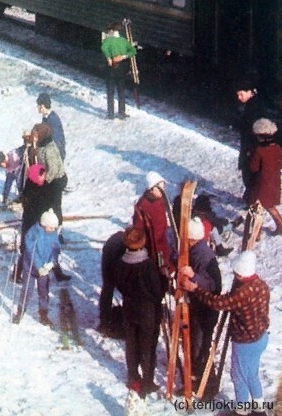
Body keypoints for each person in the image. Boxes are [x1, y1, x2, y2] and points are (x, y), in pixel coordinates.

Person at [179, 251, 270, 416]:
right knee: (252, 375)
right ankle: (259, 408)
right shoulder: (261, 284)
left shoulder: (242, 293)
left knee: (239, 376)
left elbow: (217, 303)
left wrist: (196, 289)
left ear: (241, 275)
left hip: (246, 341)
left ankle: (241, 411)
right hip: (261, 337)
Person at [113, 226, 165, 399]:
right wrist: (164, 279)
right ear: (142, 242)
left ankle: (133, 377)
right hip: (147, 312)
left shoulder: (121, 262)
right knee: (147, 346)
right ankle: (148, 381)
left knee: (131, 344)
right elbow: (157, 292)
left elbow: (119, 284)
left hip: (129, 309)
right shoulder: (148, 265)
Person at [184, 217, 222, 391]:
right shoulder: (196, 250)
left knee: (201, 348)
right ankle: (196, 381)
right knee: (196, 345)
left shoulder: (203, 255)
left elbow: (213, 284)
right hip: (199, 306)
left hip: (206, 309)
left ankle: (205, 385)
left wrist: (193, 277)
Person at [31, 123, 70, 278]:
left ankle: (56, 227)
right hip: (48, 183)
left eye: (35, 135)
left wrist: (43, 180)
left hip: (55, 183)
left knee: (53, 211)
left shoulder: (50, 149)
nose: (34, 137)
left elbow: (53, 170)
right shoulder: (41, 145)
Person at [12, 210, 62, 326]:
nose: (53, 230)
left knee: (43, 291)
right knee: (26, 291)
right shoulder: (33, 233)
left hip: (44, 269)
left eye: (54, 228)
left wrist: (51, 263)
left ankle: (43, 314)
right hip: (30, 267)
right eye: (51, 228)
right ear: (44, 225)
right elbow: (31, 252)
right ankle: (20, 313)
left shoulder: (53, 233)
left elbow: (56, 248)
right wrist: (39, 266)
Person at [247, 118, 282, 236]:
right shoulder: (277, 148)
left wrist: (249, 157)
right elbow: (279, 164)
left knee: (255, 207)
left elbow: (253, 168)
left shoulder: (259, 150)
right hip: (274, 182)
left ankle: (257, 233)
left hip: (261, 185)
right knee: (270, 206)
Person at [234, 79, 271, 207]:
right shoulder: (253, 104)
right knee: (249, 175)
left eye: (241, 94)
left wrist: (252, 150)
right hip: (250, 146)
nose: (239, 98)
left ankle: (252, 201)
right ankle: (250, 197)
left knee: (251, 175)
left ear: (249, 92)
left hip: (252, 147)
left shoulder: (255, 107)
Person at [132, 171, 174, 274]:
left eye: (163, 188)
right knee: (156, 265)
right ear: (151, 189)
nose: (162, 191)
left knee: (166, 260)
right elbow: (138, 227)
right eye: (159, 188)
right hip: (151, 243)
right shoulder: (142, 205)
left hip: (163, 239)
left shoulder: (161, 200)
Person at [100, 22, 136, 120]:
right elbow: (133, 51)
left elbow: (103, 48)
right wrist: (123, 56)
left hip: (111, 67)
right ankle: (122, 113)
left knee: (110, 91)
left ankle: (110, 114)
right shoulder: (124, 41)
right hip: (122, 67)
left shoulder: (108, 40)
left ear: (112, 31)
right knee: (121, 90)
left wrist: (109, 58)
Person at [98, 229, 127, 338]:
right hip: (111, 252)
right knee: (108, 287)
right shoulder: (116, 252)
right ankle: (104, 321)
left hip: (117, 250)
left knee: (110, 288)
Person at [37, 92, 66, 160]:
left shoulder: (53, 120)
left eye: (38, 105)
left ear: (42, 106)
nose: (37, 107)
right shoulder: (45, 117)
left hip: (55, 156)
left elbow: (57, 142)